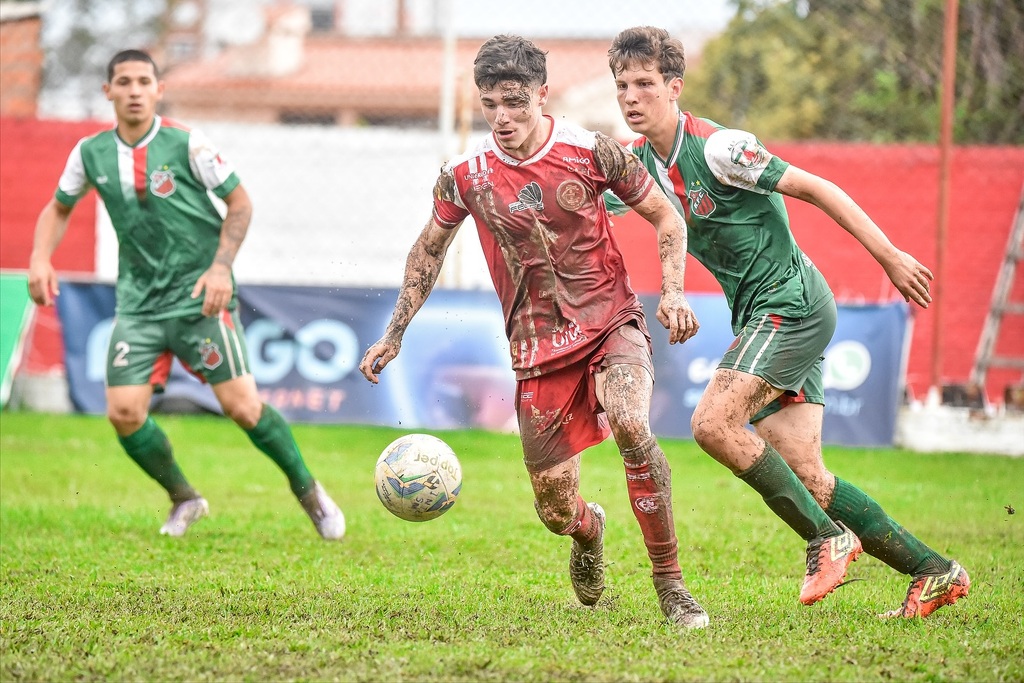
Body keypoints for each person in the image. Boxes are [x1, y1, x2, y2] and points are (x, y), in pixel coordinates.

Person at [605, 26, 970, 618]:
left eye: (645, 83)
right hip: (760, 313)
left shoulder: (723, 149)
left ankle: (827, 539)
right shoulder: (640, 167)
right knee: (808, 476)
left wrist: (890, 256)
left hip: (791, 303)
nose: (631, 96)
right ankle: (935, 571)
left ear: (674, 88)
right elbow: (584, 200)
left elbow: (818, 187)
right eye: (622, 85)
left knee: (713, 423)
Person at [359, 35, 709, 628]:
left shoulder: (592, 151)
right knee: (552, 507)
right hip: (537, 350)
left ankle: (671, 586)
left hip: (610, 322)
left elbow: (665, 216)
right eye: (490, 103)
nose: (502, 117)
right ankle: (588, 529)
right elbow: (428, 249)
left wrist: (672, 291)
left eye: (515, 102)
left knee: (629, 419)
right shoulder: (465, 176)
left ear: (542, 96)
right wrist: (394, 333)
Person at [27, 49, 345, 541]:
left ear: (158, 89)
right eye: (124, 82)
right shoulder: (90, 153)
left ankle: (311, 494)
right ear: (107, 91)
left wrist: (221, 269)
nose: (134, 91)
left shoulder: (187, 144)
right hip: (139, 304)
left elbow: (240, 202)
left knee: (243, 408)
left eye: (144, 82)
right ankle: (184, 498)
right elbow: (59, 207)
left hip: (202, 298)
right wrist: (41, 258)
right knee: (124, 413)